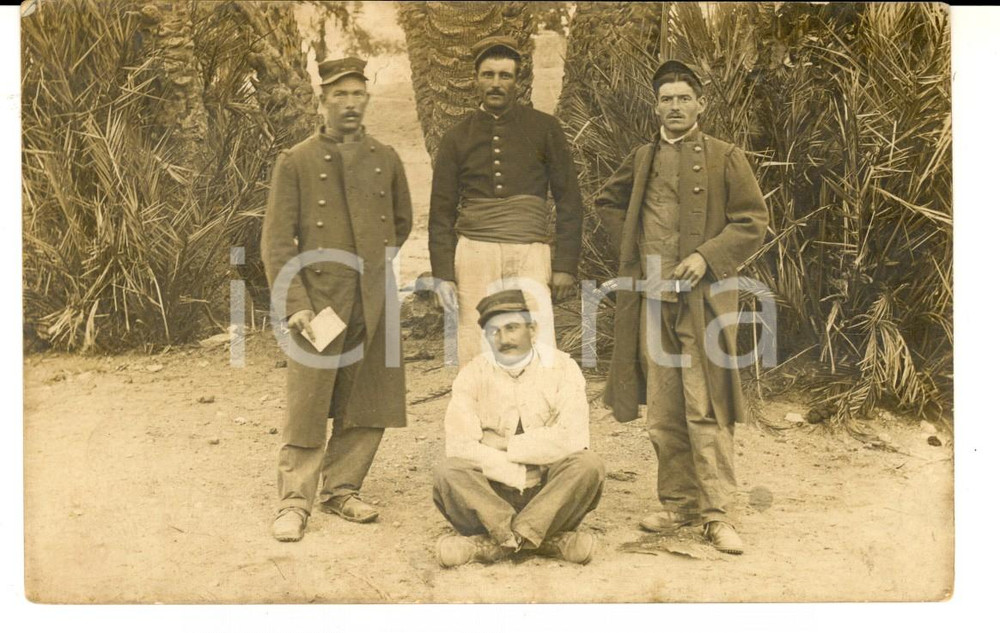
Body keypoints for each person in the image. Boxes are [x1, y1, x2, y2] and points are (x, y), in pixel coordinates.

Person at [596, 60, 768, 555]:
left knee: (705, 404)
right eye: (666, 99)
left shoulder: (724, 157)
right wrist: (632, 249)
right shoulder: (642, 157)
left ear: (701, 104)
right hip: (653, 298)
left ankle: (717, 513)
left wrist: (704, 256)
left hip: (706, 300)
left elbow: (752, 220)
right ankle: (677, 503)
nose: (675, 107)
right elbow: (608, 202)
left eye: (683, 98)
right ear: (656, 107)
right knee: (664, 409)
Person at [261, 56, 413, 542]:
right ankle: (293, 502)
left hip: (372, 296)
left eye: (356, 94)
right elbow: (278, 242)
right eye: (338, 95)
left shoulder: (385, 157)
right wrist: (297, 303)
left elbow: (402, 222)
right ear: (322, 101)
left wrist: (373, 267)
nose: (348, 104)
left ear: (366, 99)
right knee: (308, 400)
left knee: (369, 396)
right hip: (318, 300)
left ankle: (343, 488)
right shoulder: (296, 161)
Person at [428, 36, 585, 367]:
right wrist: (443, 274)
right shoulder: (457, 137)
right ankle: (484, 417)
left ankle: (534, 416)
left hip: (530, 251)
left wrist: (564, 266)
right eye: (488, 75)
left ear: (517, 81)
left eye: (505, 76)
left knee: (537, 335)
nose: (496, 84)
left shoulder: (545, 129)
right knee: (474, 340)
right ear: (476, 80)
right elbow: (440, 213)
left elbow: (569, 199)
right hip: (475, 253)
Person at [432, 289, 605, 567]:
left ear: (533, 330)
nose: (504, 339)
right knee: (448, 472)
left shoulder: (563, 367)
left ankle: (493, 544)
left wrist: (505, 445)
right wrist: (523, 467)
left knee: (587, 464)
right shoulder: (472, 374)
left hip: (549, 494)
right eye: (494, 332)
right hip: (489, 495)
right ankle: (542, 539)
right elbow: (460, 446)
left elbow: (572, 441)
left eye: (512, 328)